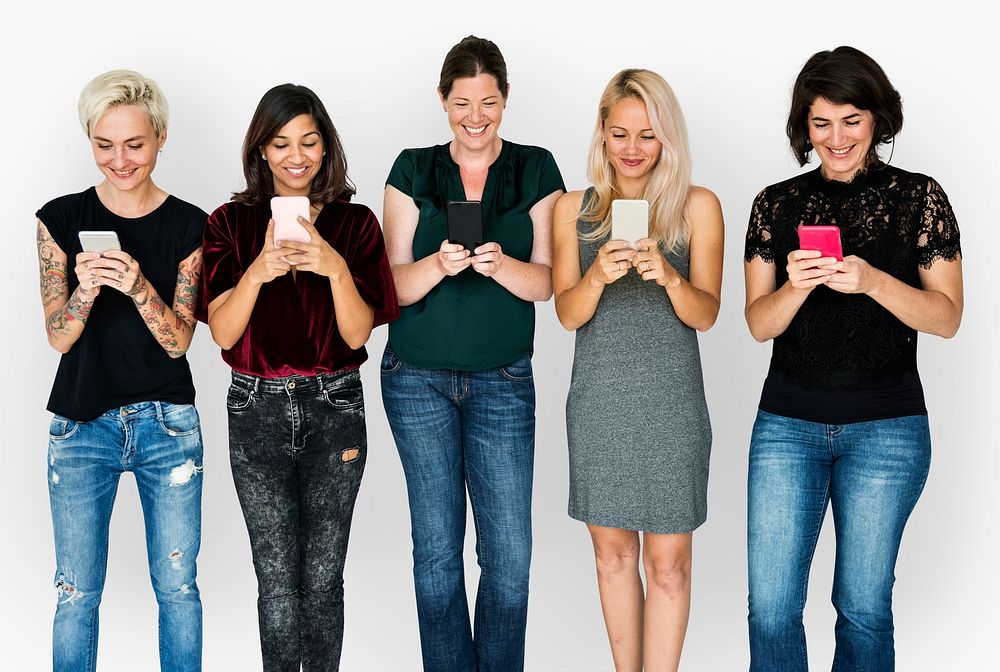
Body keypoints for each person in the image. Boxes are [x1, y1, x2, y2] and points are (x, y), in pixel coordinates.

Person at [743, 46, 963, 671]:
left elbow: (947, 317)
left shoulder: (919, 196)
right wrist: (798, 285)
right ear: (803, 126)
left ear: (876, 119)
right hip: (786, 426)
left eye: (851, 120)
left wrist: (871, 282)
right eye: (820, 123)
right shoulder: (775, 202)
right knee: (771, 608)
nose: (836, 138)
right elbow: (759, 324)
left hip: (887, 430)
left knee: (863, 606)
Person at [380, 35, 565, 672]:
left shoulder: (538, 168)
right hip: (416, 380)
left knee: (509, 558)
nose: (475, 117)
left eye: (488, 102)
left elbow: (549, 284)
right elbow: (390, 287)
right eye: (462, 103)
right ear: (442, 101)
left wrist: (501, 266)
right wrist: (437, 263)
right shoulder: (410, 168)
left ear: (506, 101)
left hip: (504, 380)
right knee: (436, 552)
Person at [198, 83, 397, 671]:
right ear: (260, 150)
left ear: (326, 146)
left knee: (324, 577)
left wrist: (333, 267)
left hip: (335, 406)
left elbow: (359, 333)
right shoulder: (229, 223)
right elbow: (223, 335)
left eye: (309, 141)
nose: (296, 156)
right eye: (280, 143)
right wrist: (258, 269)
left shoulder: (355, 224)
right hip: (254, 407)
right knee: (277, 581)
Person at [552, 69, 723, 672]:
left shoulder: (697, 206)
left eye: (647, 135)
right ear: (601, 132)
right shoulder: (574, 210)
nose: (632, 149)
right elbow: (567, 315)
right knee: (612, 557)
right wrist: (597, 275)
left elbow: (706, 314)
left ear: (667, 138)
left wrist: (670, 278)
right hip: (599, 403)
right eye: (620, 132)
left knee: (670, 563)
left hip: (673, 405)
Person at [37, 69, 206, 672]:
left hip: (169, 427)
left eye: (134, 144)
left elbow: (179, 341)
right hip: (81, 428)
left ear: (159, 137)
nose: (120, 159)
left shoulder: (191, 225)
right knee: (76, 594)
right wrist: (83, 291)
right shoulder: (58, 219)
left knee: (178, 590)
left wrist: (137, 286)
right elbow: (59, 336)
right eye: (104, 144)